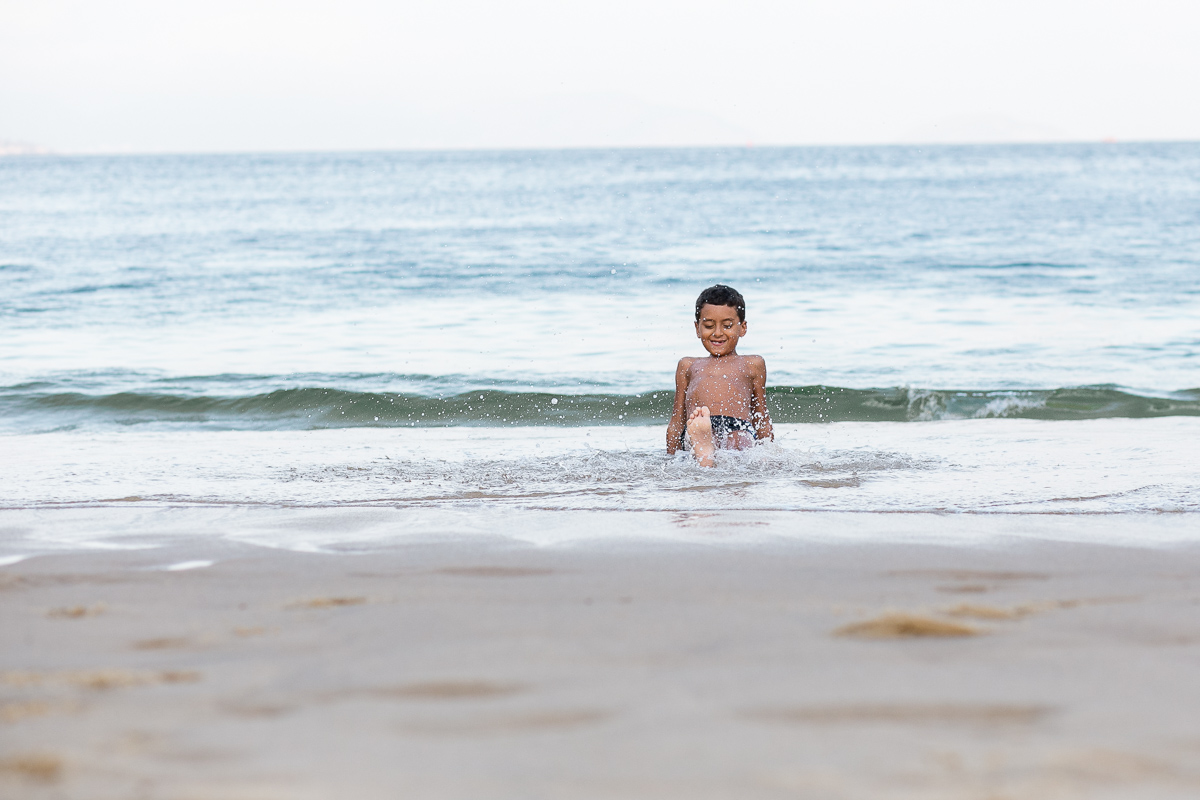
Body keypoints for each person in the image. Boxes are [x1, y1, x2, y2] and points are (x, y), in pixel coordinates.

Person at [667, 284, 773, 466]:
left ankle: (705, 455)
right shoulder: (688, 365)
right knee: (717, 440)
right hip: (701, 425)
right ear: (697, 328)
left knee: (739, 439)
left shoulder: (753, 363)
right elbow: (677, 419)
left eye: (727, 326)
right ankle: (704, 448)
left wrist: (767, 453)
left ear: (743, 328)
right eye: (709, 326)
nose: (717, 333)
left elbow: (760, 415)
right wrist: (672, 457)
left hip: (738, 426)